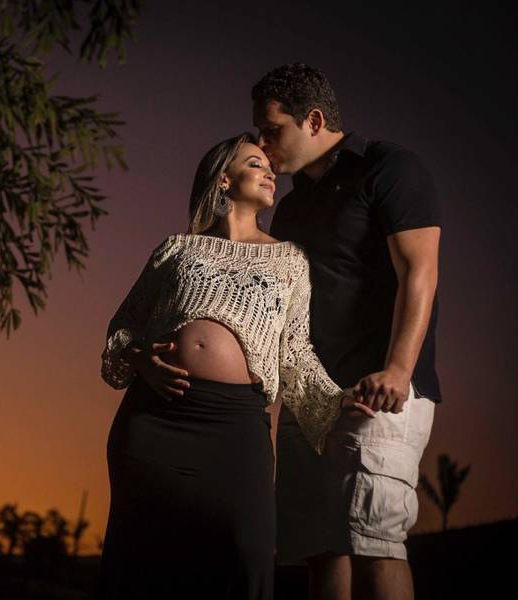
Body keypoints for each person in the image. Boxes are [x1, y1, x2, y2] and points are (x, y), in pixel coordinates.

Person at [96, 133, 374, 599]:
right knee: (141, 566)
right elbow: (122, 328)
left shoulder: (290, 260)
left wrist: (337, 400)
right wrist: (142, 359)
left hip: (234, 428)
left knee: (244, 560)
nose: (271, 174)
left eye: (270, 167)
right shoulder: (176, 250)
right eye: (255, 164)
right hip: (154, 420)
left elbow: (295, 353)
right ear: (224, 179)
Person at [252, 63, 441, 600]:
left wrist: (399, 369)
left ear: (313, 120)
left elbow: (420, 271)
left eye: (273, 130)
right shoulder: (289, 208)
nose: (264, 146)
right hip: (308, 399)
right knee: (320, 547)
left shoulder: (391, 168)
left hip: (379, 391)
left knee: (373, 540)